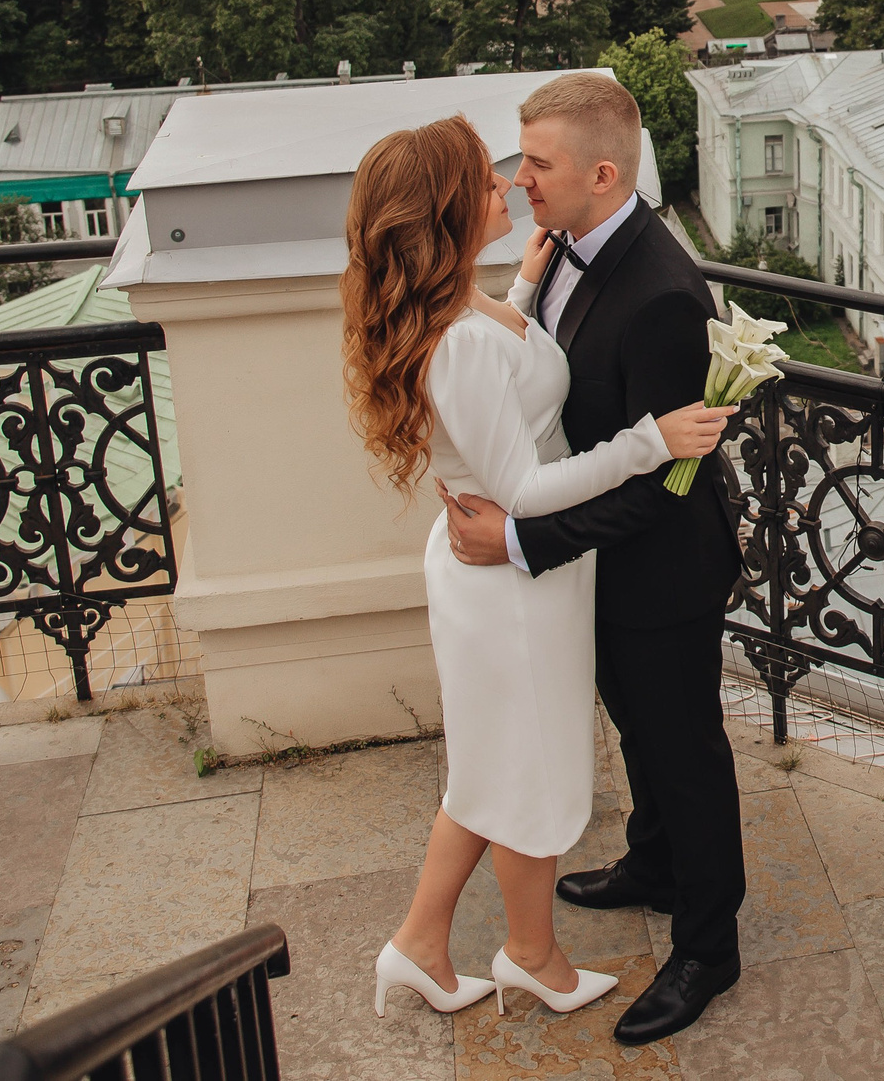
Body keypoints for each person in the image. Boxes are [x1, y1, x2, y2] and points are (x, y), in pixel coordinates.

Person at [339, 114, 734, 1024]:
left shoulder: (466, 297)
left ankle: (429, 946)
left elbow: (508, 334)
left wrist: (522, 274)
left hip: (514, 571)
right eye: (488, 179)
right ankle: (526, 956)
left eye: (525, 165)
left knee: (488, 766)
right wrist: (650, 439)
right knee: (508, 765)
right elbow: (521, 484)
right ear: (444, 212)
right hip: (506, 577)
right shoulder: (462, 336)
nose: (512, 184)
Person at [440, 71, 751, 1046]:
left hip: (660, 578)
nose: (520, 179)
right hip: (603, 571)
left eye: (538, 163)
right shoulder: (571, 245)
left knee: (684, 753)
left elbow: (666, 487)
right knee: (638, 734)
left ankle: (708, 944)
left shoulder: (662, 295)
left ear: (603, 174)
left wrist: (523, 541)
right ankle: (651, 865)